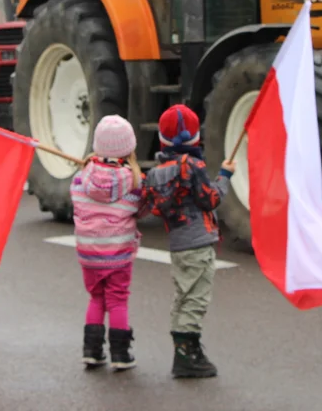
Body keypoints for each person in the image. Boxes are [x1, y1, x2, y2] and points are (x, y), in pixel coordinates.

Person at [141, 103, 235, 379]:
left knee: (183, 296)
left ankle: (185, 348)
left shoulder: (157, 173)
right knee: (196, 299)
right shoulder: (194, 166)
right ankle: (187, 354)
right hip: (199, 242)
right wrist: (225, 176)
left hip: (178, 244)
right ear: (196, 137)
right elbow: (211, 199)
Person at [71, 115, 145, 370]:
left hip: (89, 253)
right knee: (117, 300)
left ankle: (92, 350)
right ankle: (121, 354)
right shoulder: (134, 181)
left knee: (96, 297)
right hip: (118, 254)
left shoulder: (80, 179)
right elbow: (140, 209)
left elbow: (78, 202)